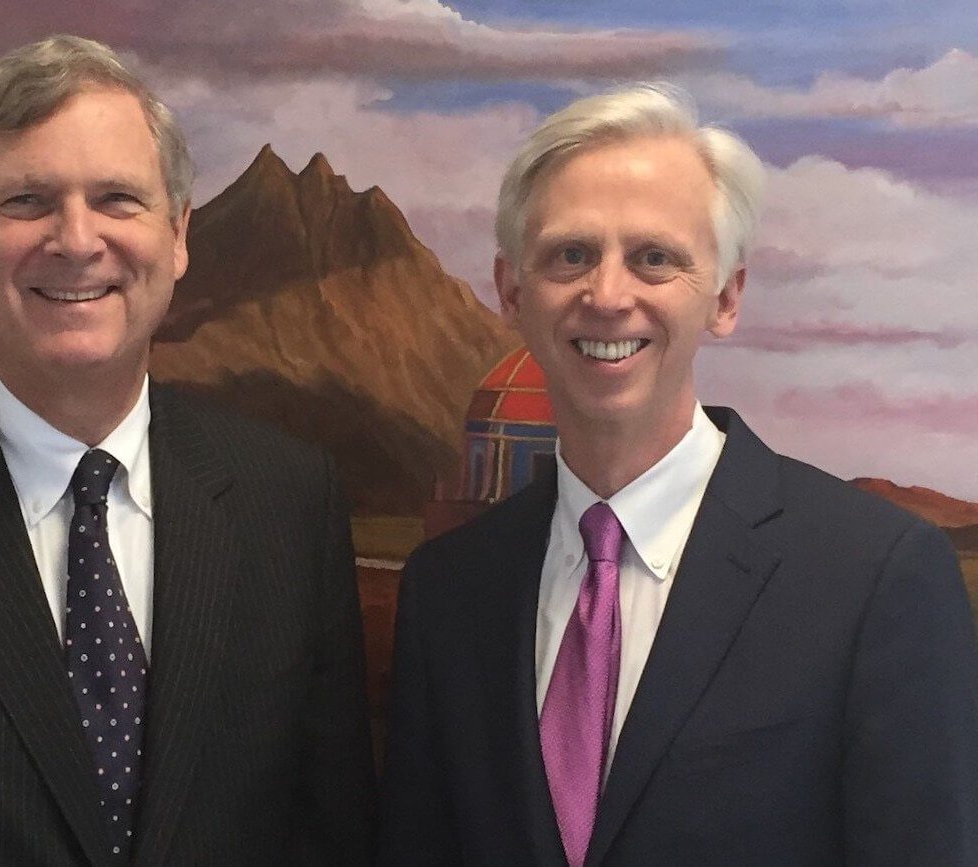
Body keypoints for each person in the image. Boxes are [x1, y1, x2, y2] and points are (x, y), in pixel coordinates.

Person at [0, 35, 375, 865]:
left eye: (117, 199)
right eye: (26, 201)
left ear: (177, 235)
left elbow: (330, 836)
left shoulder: (289, 500)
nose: (76, 239)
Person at [378, 83, 978, 865]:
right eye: (571, 254)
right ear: (512, 291)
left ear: (726, 296)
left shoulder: (877, 579)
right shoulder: (449, 591)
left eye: (654, 258)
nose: (607, 295)